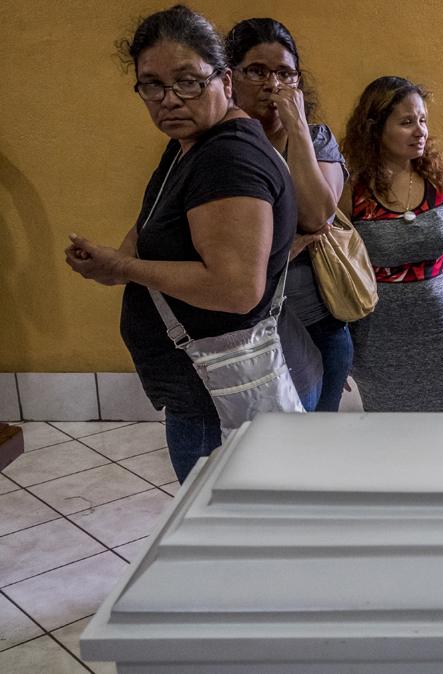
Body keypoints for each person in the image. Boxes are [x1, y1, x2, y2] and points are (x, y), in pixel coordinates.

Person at [64, 5, 314, 482]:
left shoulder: (228, 160)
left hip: (216, 391)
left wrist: (125, 268)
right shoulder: (190, 141)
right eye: (152, 85)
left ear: (223, 79)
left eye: (188, 81)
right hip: (206, 382)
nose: (169, 100)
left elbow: (235, 288)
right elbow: (152, 225)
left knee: (224, 530)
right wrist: (115, 261)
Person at [339, 76, 443, 411]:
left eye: (423, 121)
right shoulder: (353, 190)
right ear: (375, 128)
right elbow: (335, 264)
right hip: (379, 341)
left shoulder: (440, 178)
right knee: (392, 438)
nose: (420, 131)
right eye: (407, 122)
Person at [226, 18, 352, 412]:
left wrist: (296, 129)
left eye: (285, 74)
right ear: (230, 78)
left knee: (318, 449)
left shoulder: (316, 140)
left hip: (318, 325)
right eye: (257, 71)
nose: (273, 85)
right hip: (245, 332)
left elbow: (316, 216)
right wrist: (284, 250)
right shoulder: (221, 145)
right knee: (260, 450)